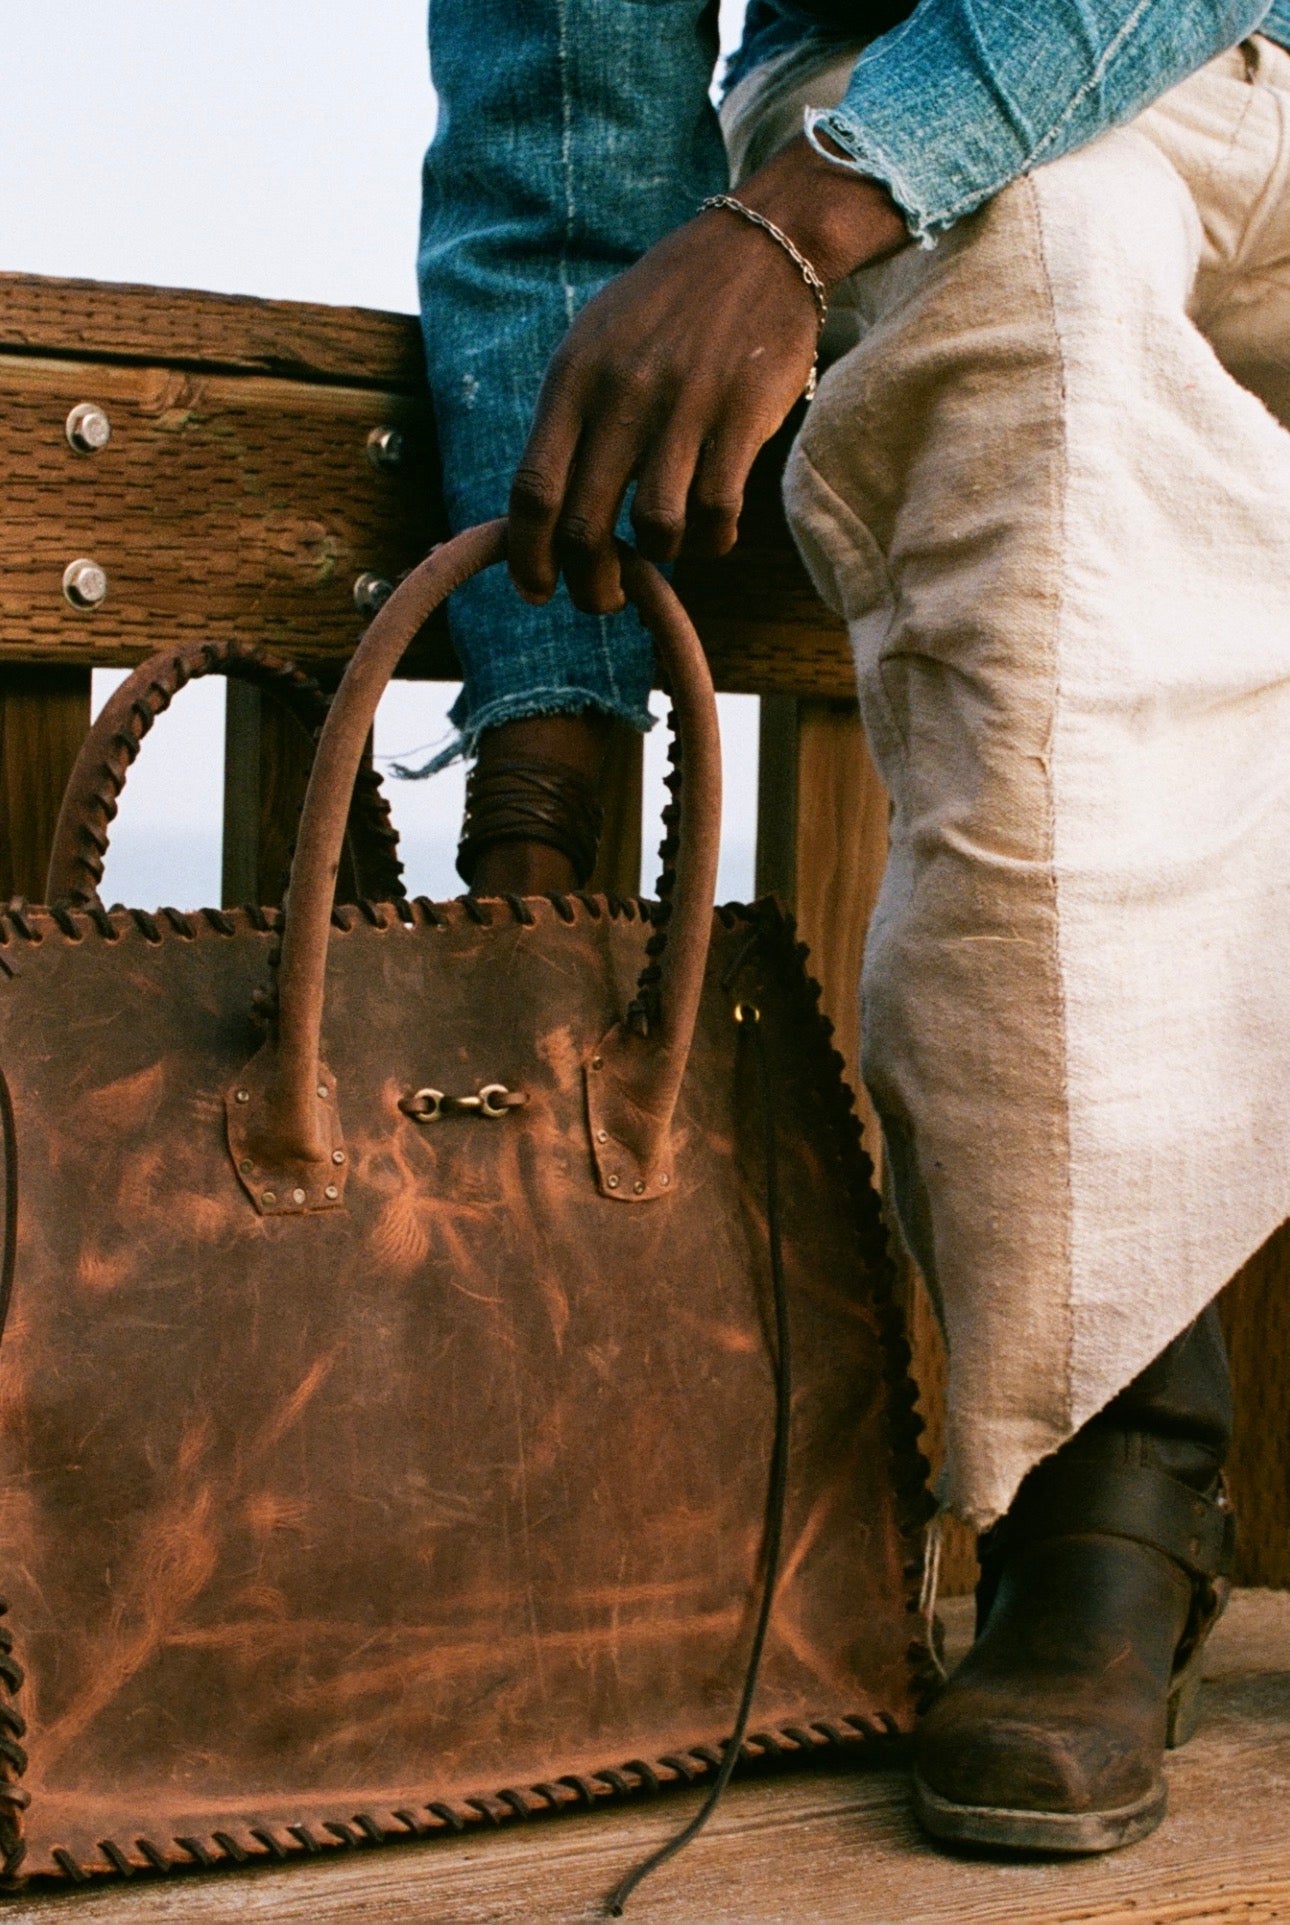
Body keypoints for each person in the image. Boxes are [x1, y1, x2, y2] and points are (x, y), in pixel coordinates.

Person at [417, 0, 1290, 1854]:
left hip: (904, 150)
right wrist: (543, 784)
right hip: (928, 108)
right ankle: (1106, 1469)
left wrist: (790, 218)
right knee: (1032, 273)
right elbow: (560, 130)